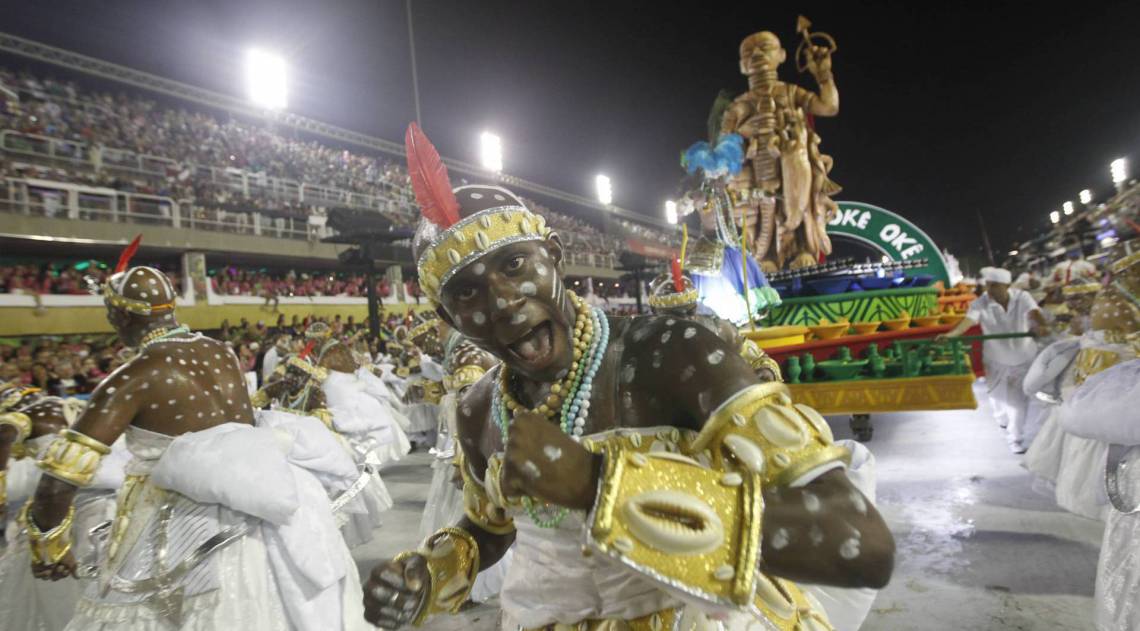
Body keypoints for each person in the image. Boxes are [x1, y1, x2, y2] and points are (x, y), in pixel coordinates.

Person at [363, 124, 893, 630]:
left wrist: (600, 487)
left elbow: (858, 541)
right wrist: (430, 572)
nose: (501, 302)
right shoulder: (480, 409)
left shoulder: (674, 355)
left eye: (516, 265)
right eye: (466, 293)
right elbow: (488, 527)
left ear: (554, 257)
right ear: (451, 321)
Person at [23, 252, 371, 631]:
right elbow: (235, 423)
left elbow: (60, 479)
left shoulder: (133, 375)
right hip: (258, 519)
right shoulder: (221, 352)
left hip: (175, 526)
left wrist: (48, 546)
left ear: (122, 316)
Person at [940, 266, 1048, 453]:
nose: (990, 290)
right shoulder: (980, 302)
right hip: (995, 358)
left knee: (1017, 401)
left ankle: (1015, 438)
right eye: (988, 286)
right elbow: (969, 320)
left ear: (1006, 285)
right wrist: (953, 334)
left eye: (995, 286)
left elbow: (1034, 313)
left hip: (1023, 356)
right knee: (997, 396)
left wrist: (1039, 326)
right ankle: (1002, 420)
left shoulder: (1022, 297)